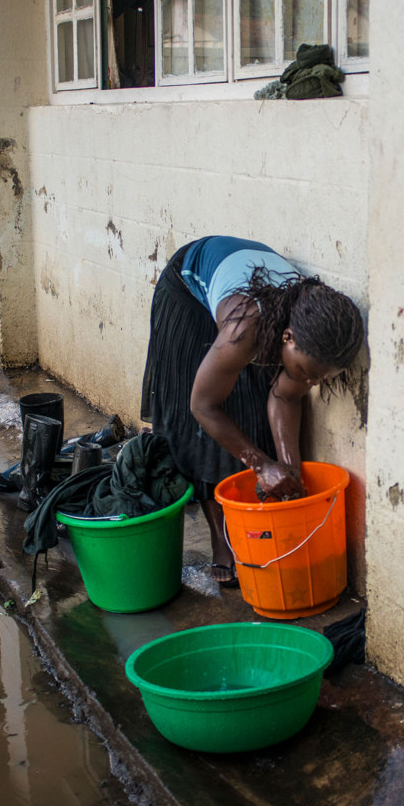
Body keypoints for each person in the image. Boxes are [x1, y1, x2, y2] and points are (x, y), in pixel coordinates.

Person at [141, 236, 365, 587]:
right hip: (187, 289)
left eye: (321, 378)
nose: (311, 382)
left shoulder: (311, 334)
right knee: (208, 427)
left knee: (249, 414)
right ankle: (223, 543)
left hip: (245, 286)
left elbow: (286, 398)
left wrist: (290, 469)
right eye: (307, 373)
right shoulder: (245, 326)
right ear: (287, 336)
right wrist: (261, 464)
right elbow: (203, 406)